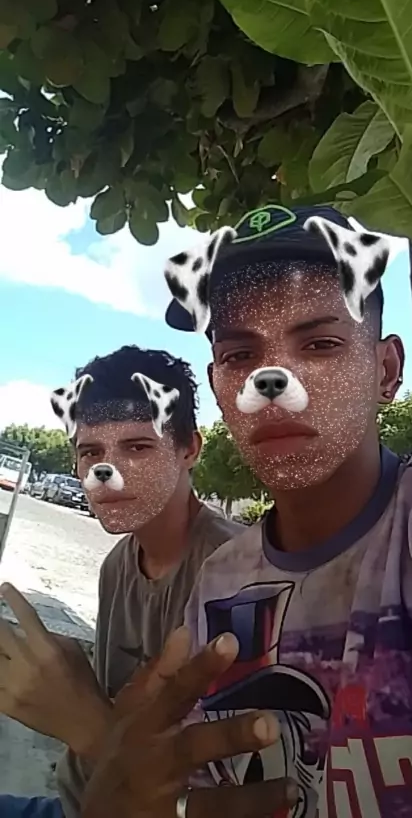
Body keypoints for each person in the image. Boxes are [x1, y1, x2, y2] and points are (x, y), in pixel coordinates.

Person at [1, 205, 412, 818]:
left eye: (320, 344)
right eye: (238, 355)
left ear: (386, 370)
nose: (271, 380)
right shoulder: (222, 585)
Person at [0, 345, 243, 818]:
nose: (106, 473)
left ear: (189, 449)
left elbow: (231, 785)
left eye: (137, 447)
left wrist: (82, 723)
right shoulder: (117, 564)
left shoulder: (238, 573)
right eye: (90, 452)